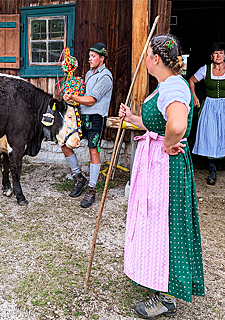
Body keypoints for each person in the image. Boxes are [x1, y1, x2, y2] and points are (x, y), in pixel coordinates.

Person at [119, 34, 205, 318]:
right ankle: (157, 278)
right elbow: (159, 122)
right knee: (157, 224)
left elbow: (177, 124)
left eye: (146, 55)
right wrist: (133, 118)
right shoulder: (167, 85)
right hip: (157, 167)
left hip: (166, 169)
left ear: (155, 59)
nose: (145, 60)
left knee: (168, 226)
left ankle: (168, 297)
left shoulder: (174, 87)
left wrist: (168, 143)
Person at [63, 42, 113, 208]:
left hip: (97, 118)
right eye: (89, 56)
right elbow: (83, 97)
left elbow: (91, 100)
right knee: (65, 143)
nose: (89, 59)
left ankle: (92, 189)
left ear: (102, 58)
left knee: (93, 151)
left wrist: (72, 97)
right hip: (82, 116)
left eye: (93, 56)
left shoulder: (105, 77)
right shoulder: (88, 74)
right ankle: (79, 178)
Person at [189, 42, 225, 185]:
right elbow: (192, 80)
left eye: (221, 53)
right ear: (211, 56)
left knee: (224, 133)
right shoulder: (205, 69)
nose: (218, 56)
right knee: (211, 134)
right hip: (210, 105)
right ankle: (212, 170)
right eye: (215, 53)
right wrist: (194, 96)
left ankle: (222, 161)